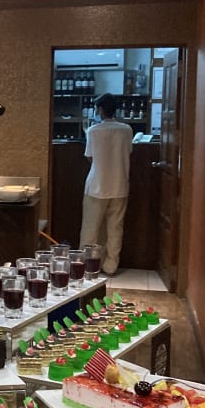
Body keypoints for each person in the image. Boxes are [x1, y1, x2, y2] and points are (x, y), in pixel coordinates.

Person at [80, 92, 133, 276]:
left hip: (96, 185)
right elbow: (129, 152)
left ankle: (87, 265)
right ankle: (111, 266)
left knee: (90, 229)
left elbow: (89, 157)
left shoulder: (93, 131)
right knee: (115, 228)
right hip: (119, 185)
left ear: (100, 109)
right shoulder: (127, 130)